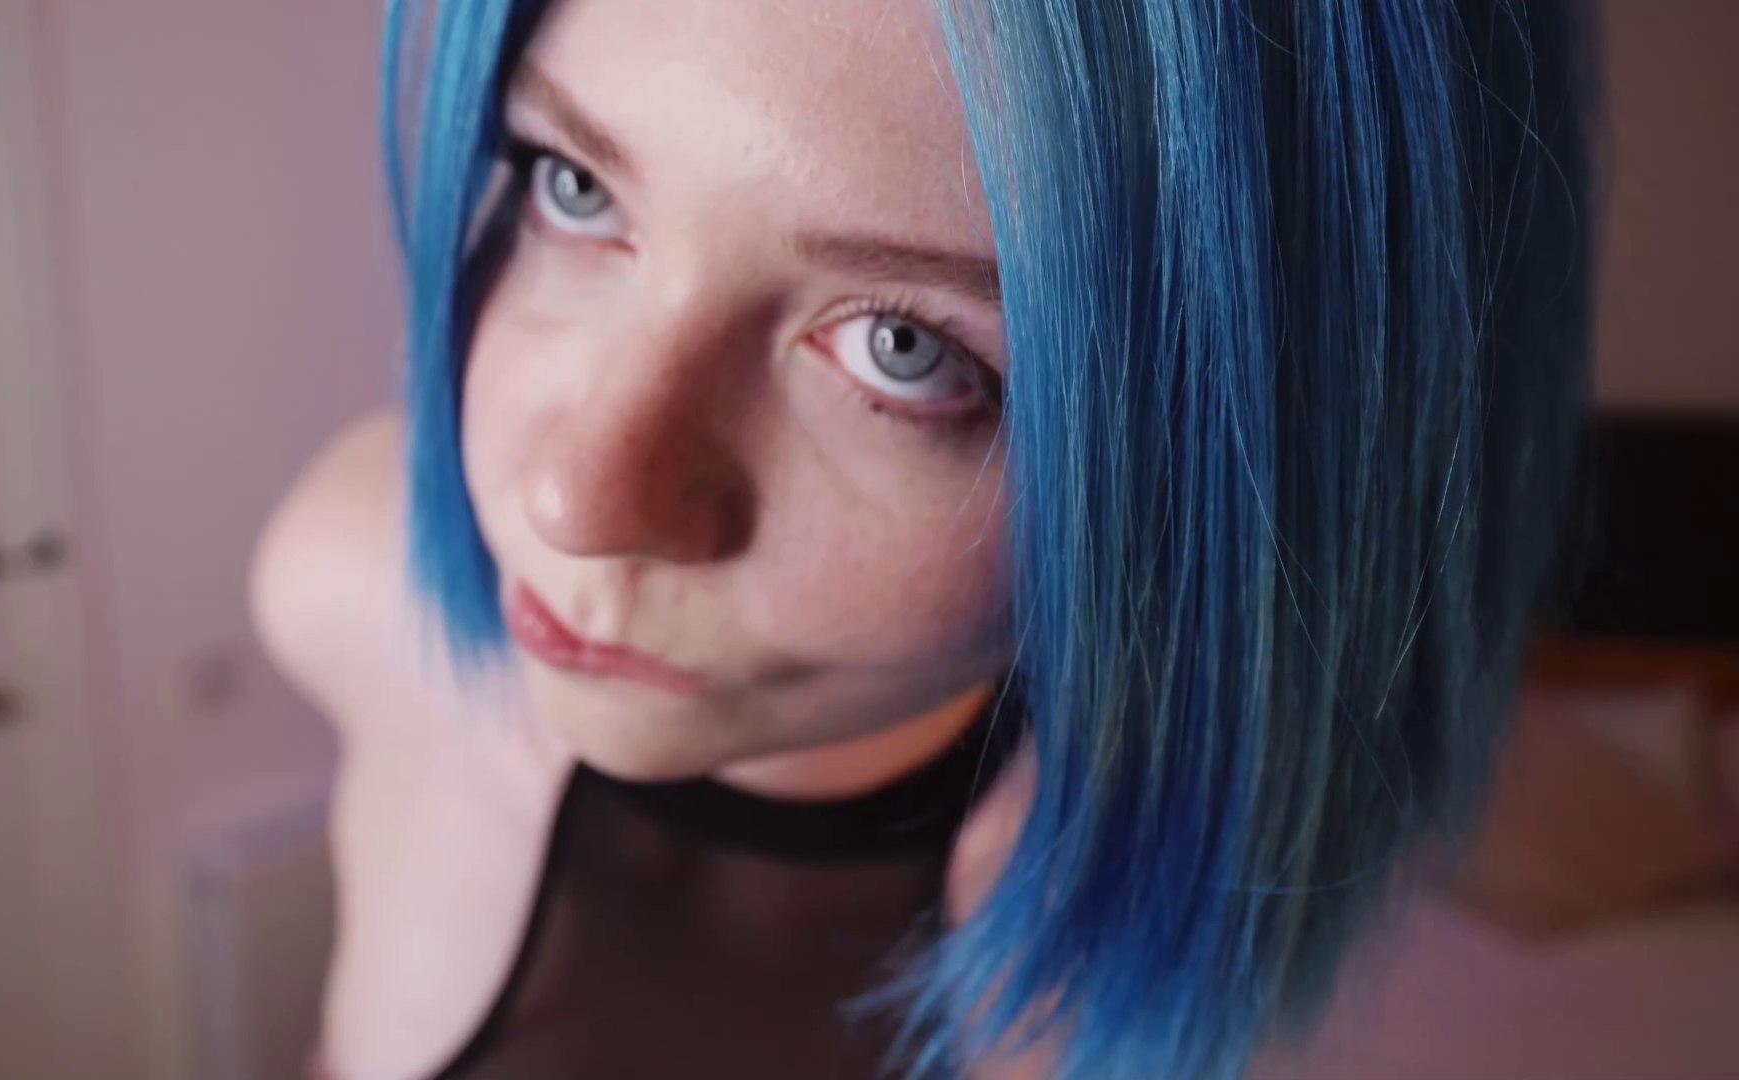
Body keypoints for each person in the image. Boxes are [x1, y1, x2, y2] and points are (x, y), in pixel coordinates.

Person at [252, 0, 1597, 1077]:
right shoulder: (347, 583)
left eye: (906, 349)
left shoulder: (1126, 914)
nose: (576, 501)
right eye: (574, 184)